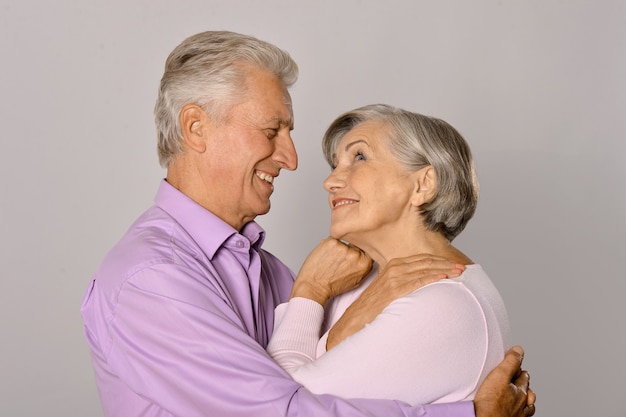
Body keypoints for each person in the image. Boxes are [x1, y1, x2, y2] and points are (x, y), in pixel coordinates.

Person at [80, 30, 536, 417]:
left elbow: (309, 376)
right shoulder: (152, 280)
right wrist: (471, 414)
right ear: (196, 128)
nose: (293, 160)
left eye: (358, 156)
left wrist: (345, 301)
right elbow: (285, 409)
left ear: (424, 183)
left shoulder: (280, 274)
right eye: (271, 130)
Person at [268, 104, 511, 406]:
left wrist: (308, 292)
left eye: (359, 157)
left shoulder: (445, 304)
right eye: (335, 165)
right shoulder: (360, 282)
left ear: (423, 185)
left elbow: (278, 406)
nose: (330, 182)